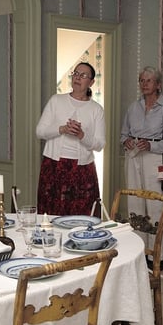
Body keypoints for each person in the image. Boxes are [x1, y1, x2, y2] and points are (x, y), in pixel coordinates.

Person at [120, 66, 163, 271]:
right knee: (135, 204)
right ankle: (139, 252)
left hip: (157, 160)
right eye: (141, 80)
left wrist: (152, 145)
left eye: (148, 80)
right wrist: (126, 142)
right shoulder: (133, 107)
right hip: (134, 158)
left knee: (155, 207)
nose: (144, 84)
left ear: (158, 84)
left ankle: (157, 255)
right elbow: (123, 134)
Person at [36, 62, 105, 216]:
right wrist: (62, 129)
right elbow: (40, 131)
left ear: (91, 82)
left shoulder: (96, 110)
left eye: (83, 75)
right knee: (52, 214)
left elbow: (100, 144)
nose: (78, 77)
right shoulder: (56, 100)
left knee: (81, 216)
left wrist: (82, 136)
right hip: (54, 166)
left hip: (82, 170)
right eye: (75, 73)